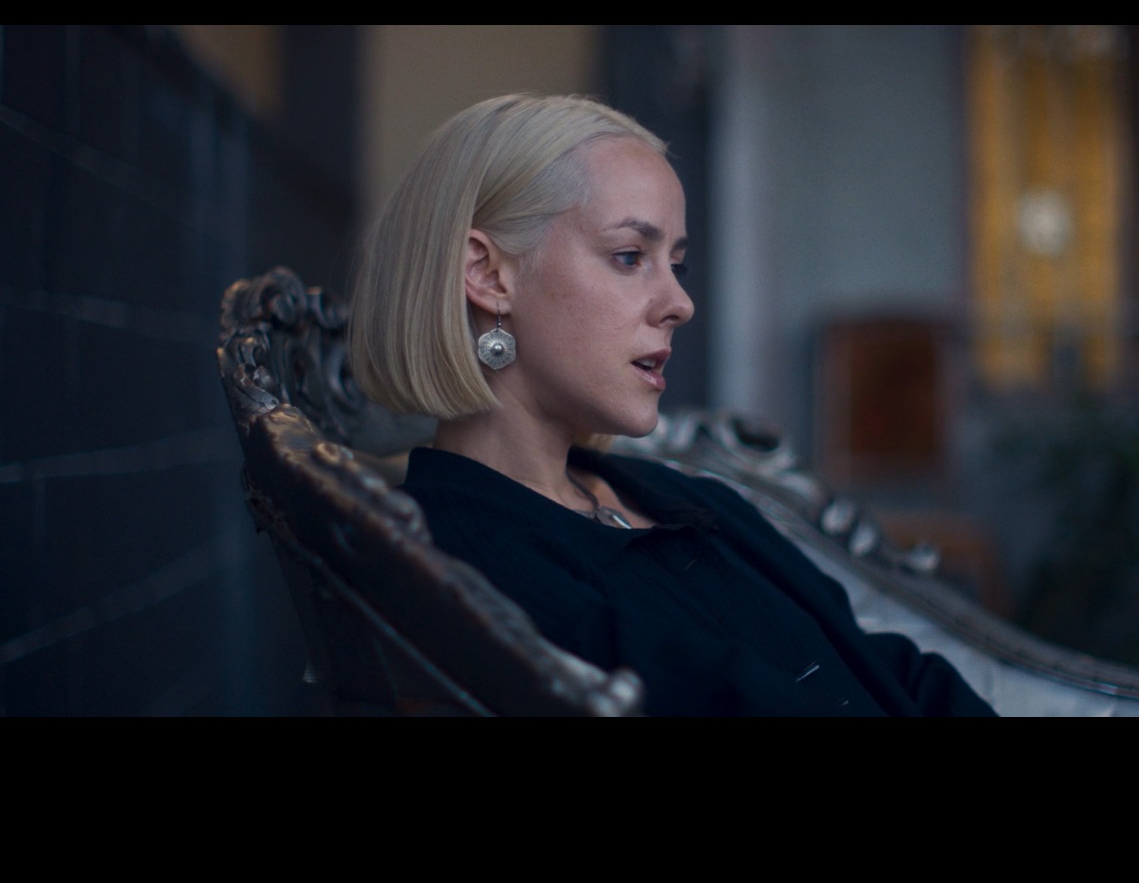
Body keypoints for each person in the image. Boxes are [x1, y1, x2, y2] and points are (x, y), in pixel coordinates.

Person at [349, 93, 996, 716]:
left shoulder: (690, 497)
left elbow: (894, 672)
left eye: (675, 265)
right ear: (489, 276)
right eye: (630, 256)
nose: (680, 304)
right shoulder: (464, 563)